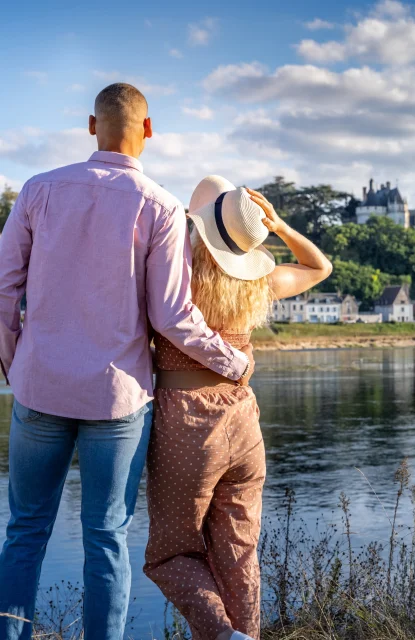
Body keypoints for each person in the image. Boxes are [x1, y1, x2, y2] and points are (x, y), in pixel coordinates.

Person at [0, 85, 254, 640]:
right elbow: (172, 316)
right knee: (106, 536)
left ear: (93, 125)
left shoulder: (38, 191)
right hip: (116, 403)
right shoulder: (161, 206)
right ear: (149, 130)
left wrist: (14, 361)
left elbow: (2, 287)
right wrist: (231, 360)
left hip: (39, 388)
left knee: (24, 531)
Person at [143, 175, 332, 640]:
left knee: (171, 555)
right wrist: (281, 227)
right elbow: (319, 267)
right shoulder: (259, 283)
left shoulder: (174, 274)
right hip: (244, 423)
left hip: (186, 422)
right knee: (238, 554)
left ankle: (225, 636)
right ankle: (245, 633)